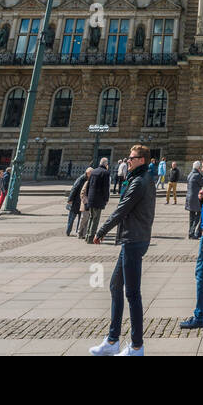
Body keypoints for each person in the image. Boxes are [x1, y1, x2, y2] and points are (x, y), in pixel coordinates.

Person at [90, 144, 156, 356]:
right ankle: (112, 340)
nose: (128, 160)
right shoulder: (142, 178)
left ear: (142, 160)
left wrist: (101, 230)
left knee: (133, 294)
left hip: (134, 240)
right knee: (114, 287)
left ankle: (137, 346)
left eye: (132, 157)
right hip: (135, 238)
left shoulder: (139, 182)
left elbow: (121, 210)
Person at [81, 159, 111, 241]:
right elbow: (106, 187)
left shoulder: (93, 172)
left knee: (91, 217)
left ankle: (87, 236)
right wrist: (106, 198)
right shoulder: (105, 173)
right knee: (95, 219)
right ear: (106, 164)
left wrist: (87, 196)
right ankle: (91, 237)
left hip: (91, 199)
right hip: (99, 199)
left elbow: (88, 185)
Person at [185, 160, 203, 238]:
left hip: (189, 197)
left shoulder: (190, 174)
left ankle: (190, 233)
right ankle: (193, 232)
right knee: (199, 215)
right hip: (196, 198)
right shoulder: (197, 175)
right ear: (198, 168)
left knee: (191, 216)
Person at [65, 167, 89, 236]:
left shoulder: (86, 179)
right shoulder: (81, 179)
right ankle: (68, 231)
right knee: (72, 218)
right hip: (76, 202)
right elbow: (74, 189)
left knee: (79, 218)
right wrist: (70, 199)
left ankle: (77, 231)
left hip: (80, 202)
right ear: (87, 173)